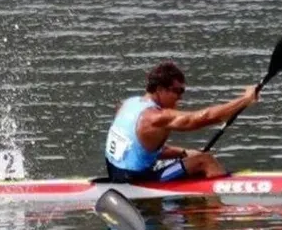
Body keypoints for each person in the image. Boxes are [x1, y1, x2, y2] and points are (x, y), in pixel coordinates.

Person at [104, 60, 259, 183]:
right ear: (160, 89)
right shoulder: (155, 117)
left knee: (191, 158)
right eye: (177, 91)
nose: (180, 96)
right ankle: (217, 208)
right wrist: (245, 100)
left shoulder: (128, 104)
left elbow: (142, 149)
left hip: (117, 173)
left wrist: (184, 153)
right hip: (137, 180)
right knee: (205, 161)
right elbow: (204, 118)